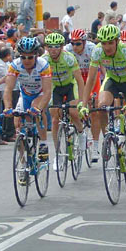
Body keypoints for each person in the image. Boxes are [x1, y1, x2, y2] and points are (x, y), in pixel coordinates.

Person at [79, 25, 126, 188]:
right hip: (112, 81)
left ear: (116, 41)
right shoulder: (97, 52)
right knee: (101, 106)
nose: (106, 47)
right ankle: (108, 136)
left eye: (110, 43)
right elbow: (91, 80)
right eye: (103, 43)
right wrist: (83, 103)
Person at [3, 37, 52, 162]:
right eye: (23, 57)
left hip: (39, 94)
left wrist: (39, 109)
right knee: (17, 123)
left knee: (36, 111)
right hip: (24, 94)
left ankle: (43, 144)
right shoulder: (15, 65)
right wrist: (8, 107)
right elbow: (8, 89)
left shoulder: (43, 65)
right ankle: (22, 160)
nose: (26, 60)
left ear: (36, 55)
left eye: (30, 57)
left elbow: (47, 92)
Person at [42, 32, 85, 169]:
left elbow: (79, 80)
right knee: (54, 118)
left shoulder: (69, 58)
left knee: (73, 112)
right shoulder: (44, 60)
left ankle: (81, 132)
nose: (53, 49)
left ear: (61, 47)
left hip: (70, 85)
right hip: (55, 87)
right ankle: (58, 155)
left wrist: (82, 101)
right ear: (47, 47)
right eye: (50, 46)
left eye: (56, 46)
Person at [66, 29, 102, 161]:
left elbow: (101, 67)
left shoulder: (92, 49)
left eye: (78, 44)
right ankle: (79, 129)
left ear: (85, 42)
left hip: (92, 77)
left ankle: (96, 146)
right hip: (77, 78)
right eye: (73, 43)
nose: (75, 47)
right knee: (73, 106)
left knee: (94, 109)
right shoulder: (67, 49)